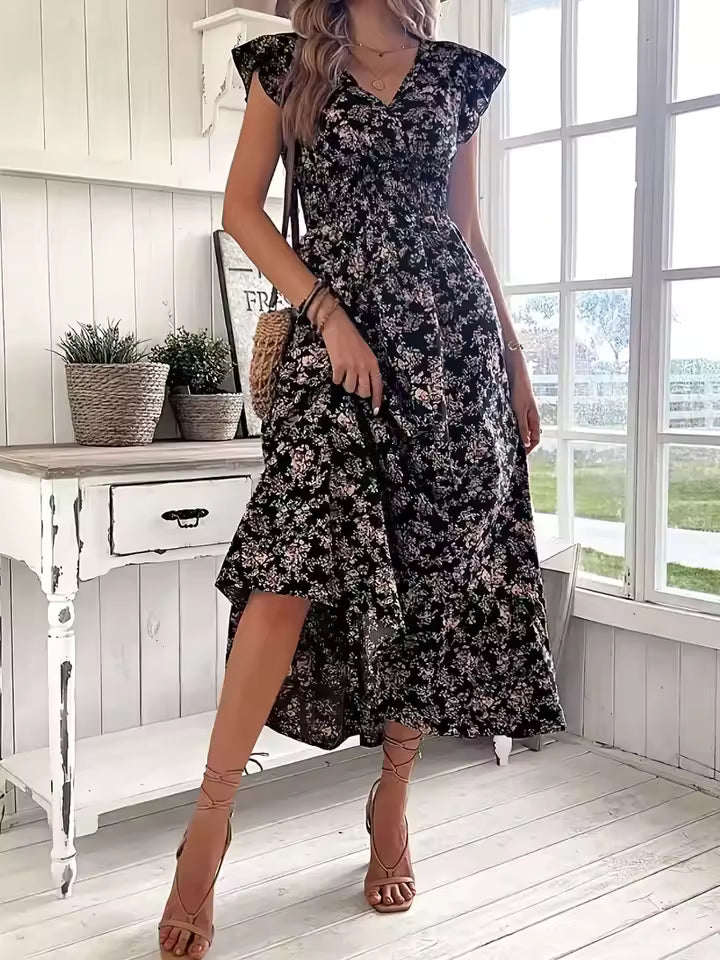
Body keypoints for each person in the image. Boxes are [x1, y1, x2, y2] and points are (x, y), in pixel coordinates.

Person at [159, 0, 565, 955]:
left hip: (450, 356)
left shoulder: (457, 73)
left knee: (430, 579)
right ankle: (207, 828)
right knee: (285, 569)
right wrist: (329, 316)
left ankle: (393, 801)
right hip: (334, 350)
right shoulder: (286, 63)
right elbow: (241, 211)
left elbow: (467, 229)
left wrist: (513, 359)